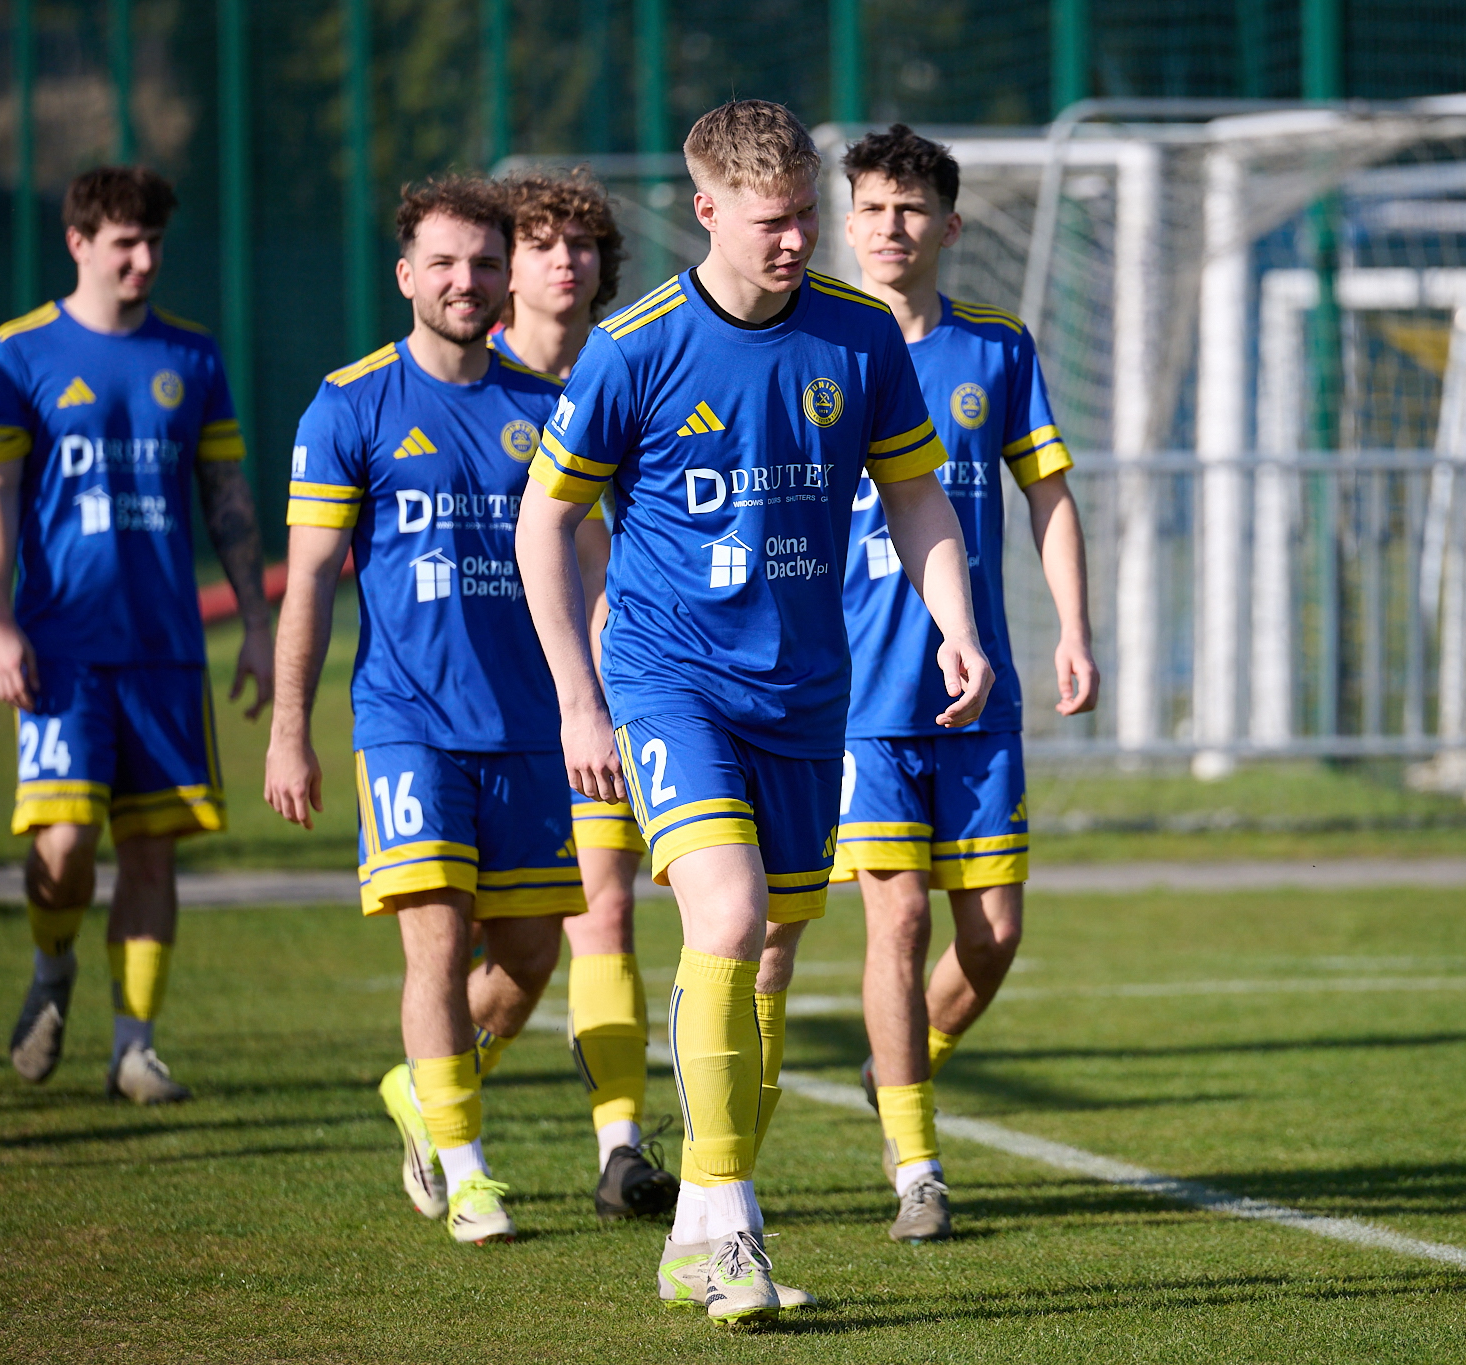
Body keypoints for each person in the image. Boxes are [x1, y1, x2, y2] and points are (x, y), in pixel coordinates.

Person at [517, 100, 990, 1327]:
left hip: (805, 694)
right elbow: (542, 522)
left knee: (770, 947)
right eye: (770, 222)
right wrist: (576, 700)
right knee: (724, 916)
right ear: (706, 211)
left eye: (803, 219)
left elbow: (916, 496)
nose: (795, 241)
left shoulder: (856, 336)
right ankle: (730, 1227)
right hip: (668, 679)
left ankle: (697, 1232)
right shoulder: (634, 347)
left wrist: (955, 623)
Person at [265, 175, 585, 1245]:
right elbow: (310, 582)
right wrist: (289, 732)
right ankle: (469, 1167)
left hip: (531, 731)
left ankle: (423, 1088)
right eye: (444, 263)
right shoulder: (348, 403)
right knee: (436, 949)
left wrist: (599, 704)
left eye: (485, 263)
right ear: (406, 276)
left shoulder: (548, 408)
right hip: (407, 723)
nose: (466, 281)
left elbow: (588, 571)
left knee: (530, 958)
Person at [832, 126, 1099, 1242]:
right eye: (872, 208)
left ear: (948, 225)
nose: (890, 227)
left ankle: (893, 1069)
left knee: (991, 937)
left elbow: (1048, 495)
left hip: (978, 696)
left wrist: (1072, 628)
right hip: (858, 699)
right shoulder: (813, 345)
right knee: (895, 919)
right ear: (848, 222)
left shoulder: (995, 348)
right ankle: (917, 1167)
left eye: (911, 209)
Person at [0, 165, 272, 1105]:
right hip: (62, 647)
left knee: (150, 852)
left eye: (154, 243)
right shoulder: (18, 352)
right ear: (79, 244)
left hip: (166, 652)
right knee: (63, 844)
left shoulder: (193, 357)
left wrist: (255, 623)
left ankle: (134, 1048)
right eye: (124, 244)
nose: (144, 260)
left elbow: (226, 496)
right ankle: (52, 961)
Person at [491, 169, 678, 1221]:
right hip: (475, 711)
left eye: (582, 242)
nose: (566, 259)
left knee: (604, 910)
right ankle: (436, 1091)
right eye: (542, 243)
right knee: (501, 957)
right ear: (506, 267)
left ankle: (620, 1150)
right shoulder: (464, 380)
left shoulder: (626, 372)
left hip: (598, 700)